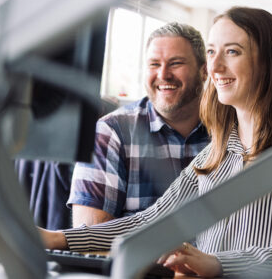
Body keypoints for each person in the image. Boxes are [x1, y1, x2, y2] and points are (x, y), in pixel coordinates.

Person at [42, 7, 272, 277]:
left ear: (268, 61)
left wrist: (216, 264)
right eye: (212, 52)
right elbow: (150, 220)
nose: (215, 65)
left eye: (232, 52)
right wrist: (57, 238)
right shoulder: (214, 156)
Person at [67, 22, 210, 227]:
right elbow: (89, 235)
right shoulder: (111, 132)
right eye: (154, 64)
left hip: (218, 259)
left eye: (176, 63)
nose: (163, 75)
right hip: (140, 259)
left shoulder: (230, 129)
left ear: (204, 71)